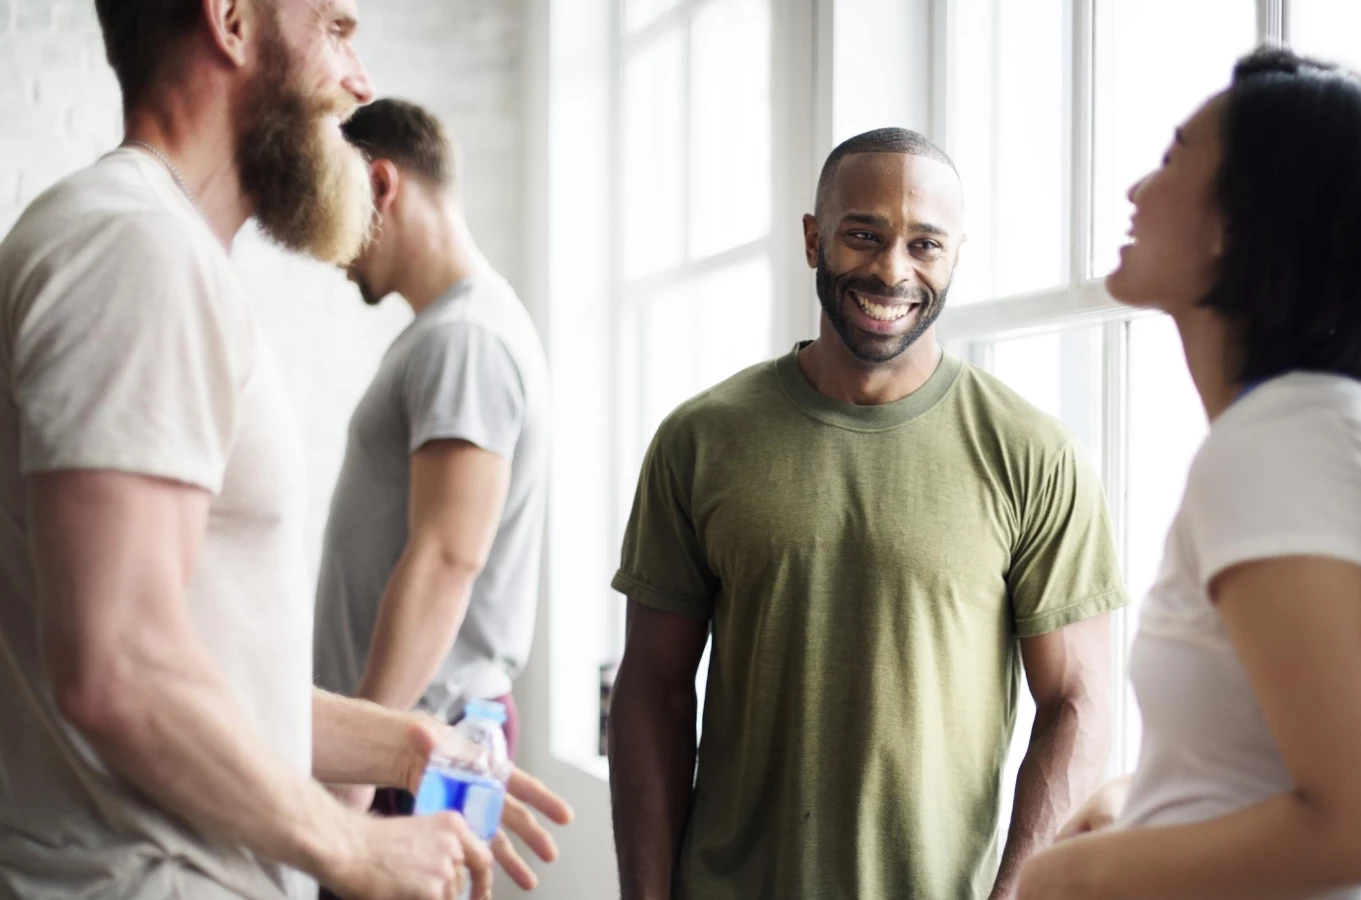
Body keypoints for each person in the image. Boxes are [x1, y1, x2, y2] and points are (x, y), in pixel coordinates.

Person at [0, 3, 569, 899]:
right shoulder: (135, 248)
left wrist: (399, 741)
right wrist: (350, 846)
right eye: (337, 30)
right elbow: (121, 670)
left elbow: (211, 681)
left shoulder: (159, 248)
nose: (362, 80)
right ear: (229, 20)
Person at [608, 127, 1130, 900]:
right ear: (815, 238)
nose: (892, 270)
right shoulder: (701, 438)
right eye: (864, 235)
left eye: (925, 244)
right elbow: (652, 688)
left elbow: (1079, 703)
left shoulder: (1033, 453)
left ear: (956, 257)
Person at [1017, 47, 1361, 900]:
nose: (1136, 192)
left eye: (1172, 159)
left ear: (1237, 224)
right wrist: (1141, 805)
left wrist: (1069, 876)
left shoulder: (1279, 444)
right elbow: (1267, 768)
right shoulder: (1303, 431)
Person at [313, 98, 551, 816]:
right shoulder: (454, 331)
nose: (330, 247)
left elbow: (448, 559)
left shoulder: (468, 338)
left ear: (381, 185)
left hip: (413, 744)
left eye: (334, 206)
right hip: (405, 738)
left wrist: (357, 770)